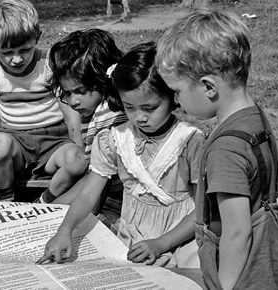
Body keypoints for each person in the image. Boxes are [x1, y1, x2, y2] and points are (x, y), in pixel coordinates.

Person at [157, 9, 278, 289]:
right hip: (269, 258)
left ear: (208, 87)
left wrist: (223, 286)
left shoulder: (225, 150)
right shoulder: (254, 116)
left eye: (177, 91)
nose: (175, 100)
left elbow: (237, 232)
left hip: (244, 276)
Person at [37, 42, 203, 268]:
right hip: (132, 237)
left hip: (182, 239)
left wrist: (161, 244)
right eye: (130, 107)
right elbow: (88, 194)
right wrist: (64, 230)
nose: (140, 117)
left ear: (173, 97)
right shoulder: (114, 139)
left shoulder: (189, 142)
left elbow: (203, 209)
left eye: (150, 108)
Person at [0, 0, 85, 203]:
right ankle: (5, 200)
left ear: (37, 37)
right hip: (16, 144)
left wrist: (78, 147)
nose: (16, 59)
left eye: (24, 50)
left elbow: (70, 112)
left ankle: (46, 200)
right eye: (6, 53)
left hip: (54, 141)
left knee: (76, 160)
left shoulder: (49, 62)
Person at [46, 29, 129, 227]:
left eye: (80, 92)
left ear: (102, 79)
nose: (73, 101)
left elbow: (97, 185)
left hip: (119, 200)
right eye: (67, 93)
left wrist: (50, 212)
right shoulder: (100, 108)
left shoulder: (105, 117)